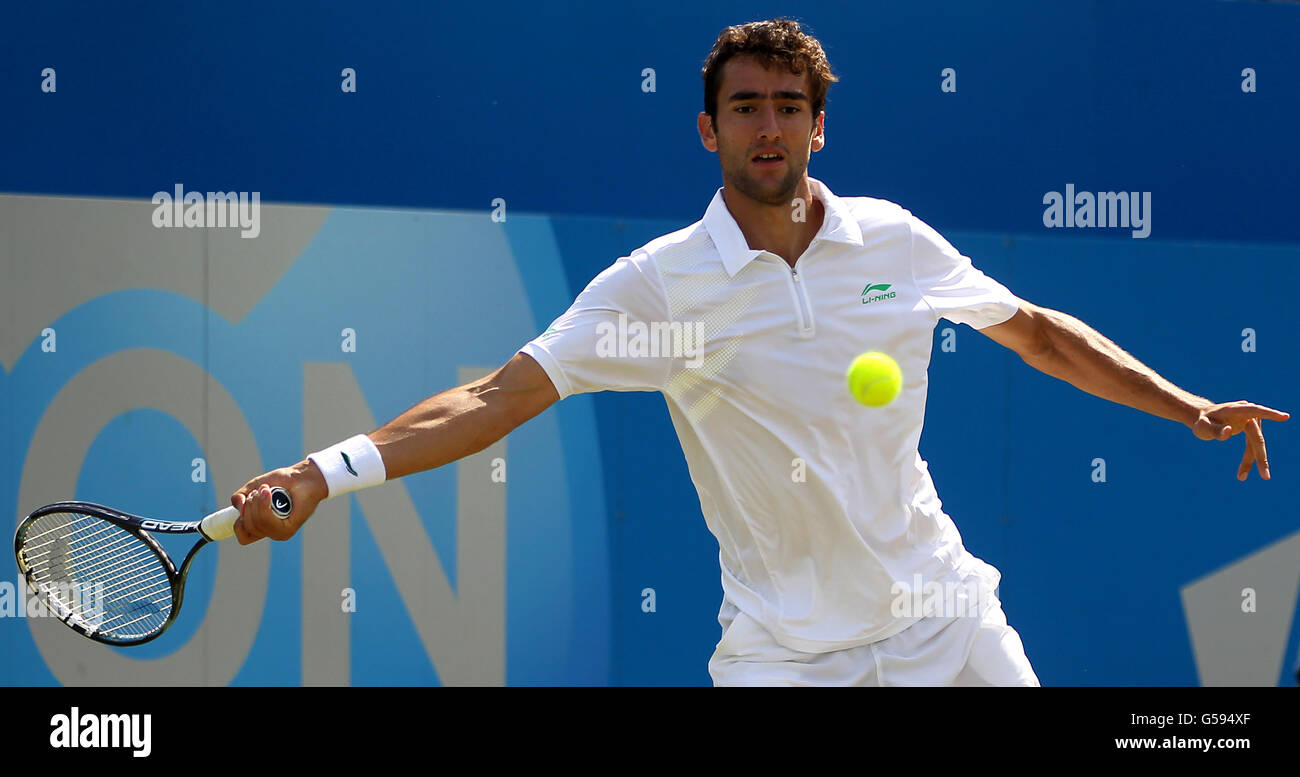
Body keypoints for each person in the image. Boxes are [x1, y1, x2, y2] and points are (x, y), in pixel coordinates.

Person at [230, 19, 1289, 686]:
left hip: (943, 622)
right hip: (784, 658)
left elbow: (1038, 334)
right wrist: (326, 472)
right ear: (708, 131)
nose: (768, 127)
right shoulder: (656, 284)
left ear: (819, 126)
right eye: (746, 108)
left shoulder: (897, 242)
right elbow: (495, 396)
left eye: (789, 107)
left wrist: (1186, 406)